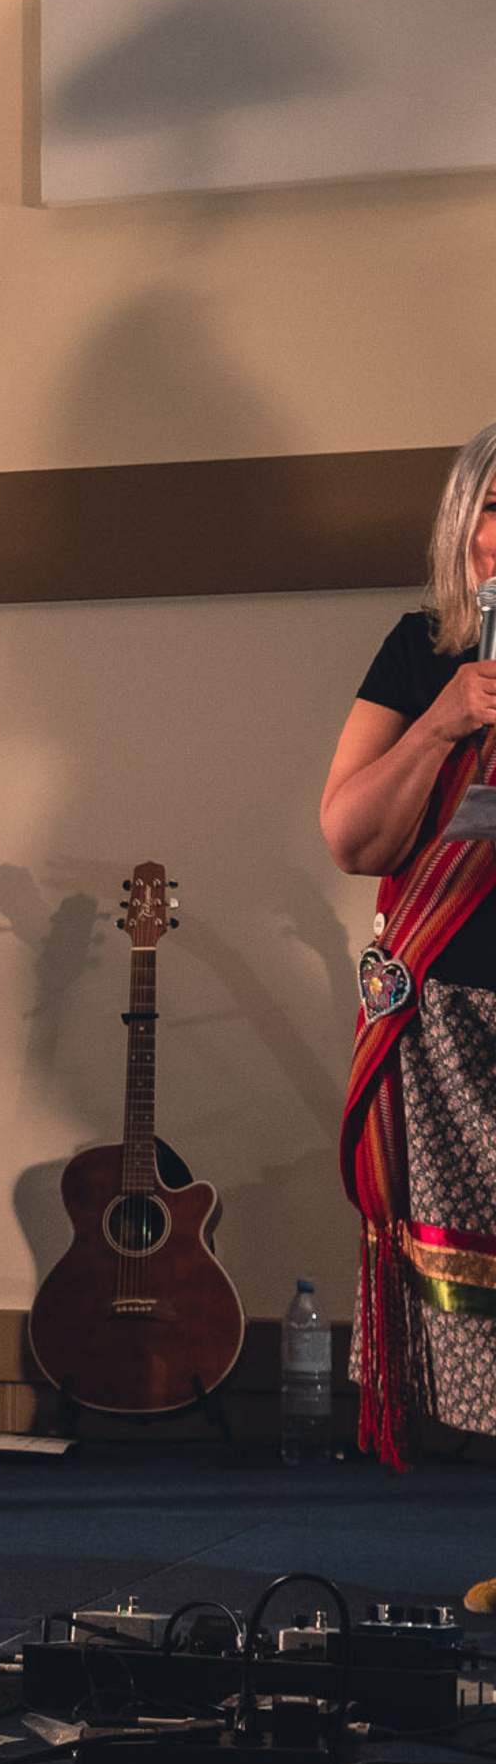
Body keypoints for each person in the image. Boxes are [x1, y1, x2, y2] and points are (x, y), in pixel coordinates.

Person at [324, 421, 496, 1487]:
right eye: (494, 509)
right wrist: (439, 724)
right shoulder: (422, 650)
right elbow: (351, 837)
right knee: (477, 1290)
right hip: (448, 1001)